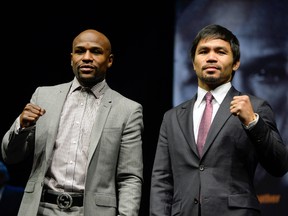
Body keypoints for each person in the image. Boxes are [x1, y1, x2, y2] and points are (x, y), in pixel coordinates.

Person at [1, 29, 144, 216]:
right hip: (40, 209)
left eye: (96, 51)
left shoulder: (127, 110)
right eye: (80, 51)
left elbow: (130, 177)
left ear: (109, 60)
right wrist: (21, 126)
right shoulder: (43, 96)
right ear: (71, 58)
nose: (86, 57)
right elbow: (10, 156)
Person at [150, 24, 288, 216]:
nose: (211, 57)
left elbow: (279, 165)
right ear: (193, 62)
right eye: (203, 51)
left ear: (236, 63)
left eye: (221, 51)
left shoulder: (255, 108)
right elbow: (162, 180)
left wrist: (253, 122)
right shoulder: (172, 117)